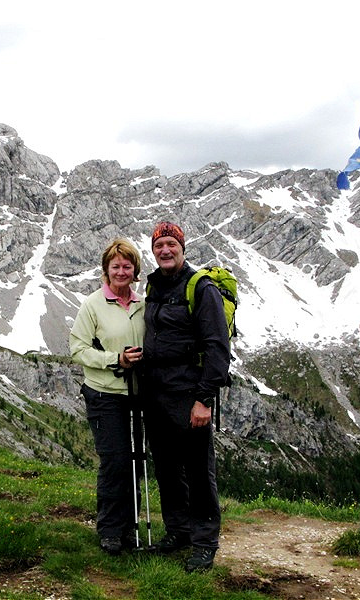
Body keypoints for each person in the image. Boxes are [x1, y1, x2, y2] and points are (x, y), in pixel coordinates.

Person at [141, 221, 230, 572]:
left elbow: (217, 347)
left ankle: (205, 541)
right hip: (156, 392)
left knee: (197, 469)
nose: (165, 250)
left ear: (182, 247)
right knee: (165, 467)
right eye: (159, 245)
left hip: (189, 394)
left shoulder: (201, 287)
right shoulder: (153, 286)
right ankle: (178, 532)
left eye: (171, 244)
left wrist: (204, 399)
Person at [70, 238, 145, 555]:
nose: (121, 271)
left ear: (135, 271)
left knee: (136, 463)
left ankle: (130, 528)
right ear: (106, 270)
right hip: (104, 394)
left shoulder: (142, 305)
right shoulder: (93, 305)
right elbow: (77, 349)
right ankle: (110, 530)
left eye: (127, 266)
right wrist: (116, 359)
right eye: (116, 266)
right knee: (115, 462)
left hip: (138, 395)